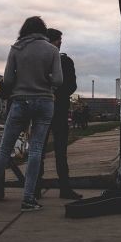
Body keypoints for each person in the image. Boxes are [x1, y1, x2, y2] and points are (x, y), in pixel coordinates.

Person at [0, 16, 62, 212]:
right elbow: (58, 80)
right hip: (44, 102)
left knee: (4, 150)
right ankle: (28, 199)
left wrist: (22, 78)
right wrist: (44, 79)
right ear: (42, 30)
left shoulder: (16, 49)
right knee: (36, 150)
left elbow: (7, 80)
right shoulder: (52, 50)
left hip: (20, 101)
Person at [36, 28, 82, 200]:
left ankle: (35, 187)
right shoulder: (65, 61)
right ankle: (64, 188)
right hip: (59, 109)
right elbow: (72, 86)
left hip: (44, 108)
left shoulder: (40, 60)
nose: (60, 42)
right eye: (57, 39)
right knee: (59, 151)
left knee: (39, 149)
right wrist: (60, 93)